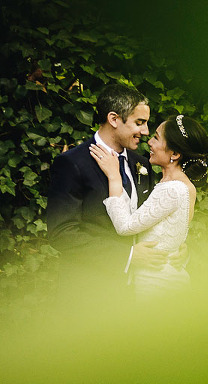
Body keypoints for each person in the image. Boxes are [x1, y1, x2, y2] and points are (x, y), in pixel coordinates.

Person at [44, 83, 168, 300]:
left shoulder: (142, 164)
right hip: (89, 293)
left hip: (138, 291)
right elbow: (61, 232)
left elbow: (147, 219)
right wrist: (127, 256)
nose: (146, 132)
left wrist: (174, 248)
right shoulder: (72, 163)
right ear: (114, 119)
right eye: (139, 123)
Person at [89, 114, 208, 300]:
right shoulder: (183, 186)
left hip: (156, 285)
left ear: (175, 154)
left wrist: (114, 176)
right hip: (164, 278)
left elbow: (125, 226)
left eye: (156, 138)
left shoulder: (171, 189)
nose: (149, 142)